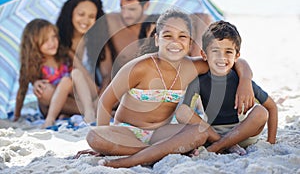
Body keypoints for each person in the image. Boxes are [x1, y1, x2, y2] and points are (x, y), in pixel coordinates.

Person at [76, 9, 255, 168]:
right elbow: (106, 103)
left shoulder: (192, 66)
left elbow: (235, 62)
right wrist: (104, 143)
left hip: (161, 133)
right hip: (128, 131)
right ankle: (156, 153)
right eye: (168, 36)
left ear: (190, 42)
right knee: (94, 136)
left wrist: (245, 81)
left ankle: (149, 153)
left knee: (198, 133)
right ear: (157, 39)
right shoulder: (139, 67)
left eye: (182, 36)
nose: (175, 42)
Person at [176, 20, 278, 155]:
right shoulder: (199, 82)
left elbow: (272, 107)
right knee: (182, 111)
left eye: (228, 52)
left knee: (261, 112)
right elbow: (186, 113)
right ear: (204, 55)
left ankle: (217, 147)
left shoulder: (241, 81)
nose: (221, 57)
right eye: (215, 51)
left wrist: (271, 142)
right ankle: (224, 144)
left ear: (237, 56)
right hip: (212, 133)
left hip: (242, 135)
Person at [33, 0, 113, 118]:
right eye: (81, 14)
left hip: (90, 93)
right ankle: (90, 110)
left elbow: (107, 77)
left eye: (91, 16)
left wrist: (101, 100)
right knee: (45, 92)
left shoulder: (99, 40)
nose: (85, 20)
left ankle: (88, 109)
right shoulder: (56, 39)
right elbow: (40, 65)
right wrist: (36, 81)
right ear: (70, 13)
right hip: (61, 95)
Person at [13, 19, 96, 128]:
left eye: (54, 37)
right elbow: (22, 91)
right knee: (45, 89)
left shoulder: (64, 55)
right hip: (49, 107)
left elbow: (82, 78)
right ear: (33, 43)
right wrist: (16, 115)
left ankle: (89, 111)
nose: (52, 43)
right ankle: (50, 119)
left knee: (75, 74)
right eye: (45, 40)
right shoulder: (32, 65)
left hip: (70, 99)